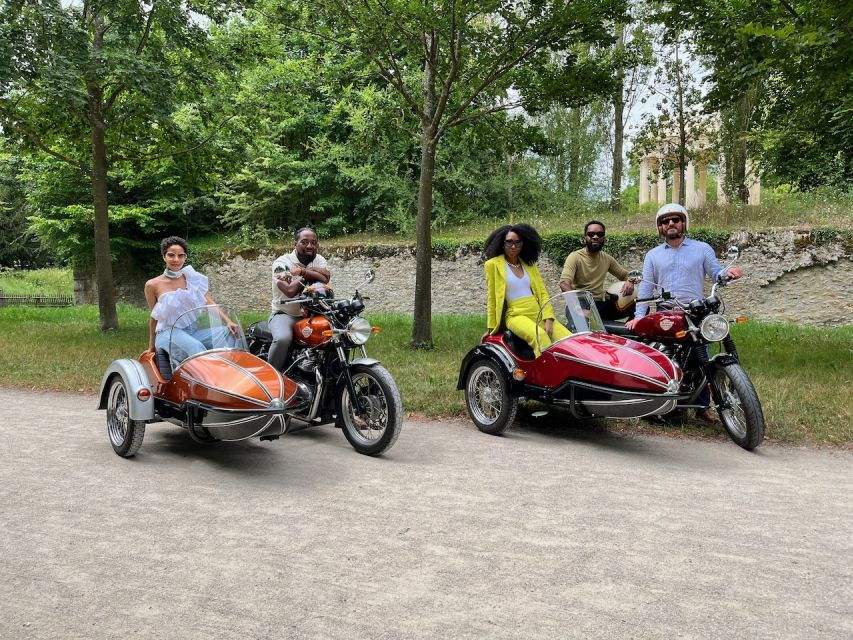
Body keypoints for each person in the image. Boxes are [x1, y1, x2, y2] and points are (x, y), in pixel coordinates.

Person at [625, 203, 743, 422]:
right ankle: (664, 402)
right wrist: (639, 317)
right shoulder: (653, 255)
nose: (670, 224)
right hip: (666, 311)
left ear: (684, 223)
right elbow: (646, 287)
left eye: (675, 220)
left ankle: (702, 406)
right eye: (665, 221)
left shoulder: (702, 248)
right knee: (665, 357)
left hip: (696, 310)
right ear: (659, 227)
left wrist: (729, 272)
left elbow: (716, 272)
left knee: (703, 357)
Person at [145, 236, 238, 364]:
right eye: (171, 255)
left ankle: (231, 370)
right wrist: (151, 345)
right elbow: (155, 316)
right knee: (196, 348)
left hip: (192, 330)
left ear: (185, 258)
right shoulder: (152, 285)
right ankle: (207, 380)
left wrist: (228, 321)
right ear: (164, 257)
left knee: (229, 333)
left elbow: (209, 303)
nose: (176, 259)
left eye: (180, 255)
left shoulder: (192, 277)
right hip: (169, 332)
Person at [483, 224, 570, 357]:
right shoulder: (492, 265)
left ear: (523, 244)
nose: (513, 246)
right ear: (502, 243)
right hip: (516, 314)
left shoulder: (529, 264)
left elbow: (542, 292)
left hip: (538, 312)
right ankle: (545, 375)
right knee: (540, 337)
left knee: (567, 340)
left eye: (518, 242)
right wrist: (491, 328)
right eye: (509, 242)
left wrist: (548, 318)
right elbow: (492, 299)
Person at [268, 227, 331, 370]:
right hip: (285, 313)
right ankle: (271, 379)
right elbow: (289, 290)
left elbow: (325, 278)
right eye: (304, 242)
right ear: (295, 243)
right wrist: (311, 273)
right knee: (283, 339)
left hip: (313, 314)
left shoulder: (319, 259)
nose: (310, 246)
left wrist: (303, 271)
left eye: (313, 243)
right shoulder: (281, 263)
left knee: (337, 335)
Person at [558, 220, 636, 320]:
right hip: (580, 302)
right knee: (582, 326)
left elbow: (625, 275)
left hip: (599, 304)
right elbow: (564, 283)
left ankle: (629, 333)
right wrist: (577, 308)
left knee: (638, 306)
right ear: (584, 238)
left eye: (600, 234)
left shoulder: (607, 259)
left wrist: (630, 281)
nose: (595, 237)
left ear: (604, 238)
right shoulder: (575, 257)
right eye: (591, 234)